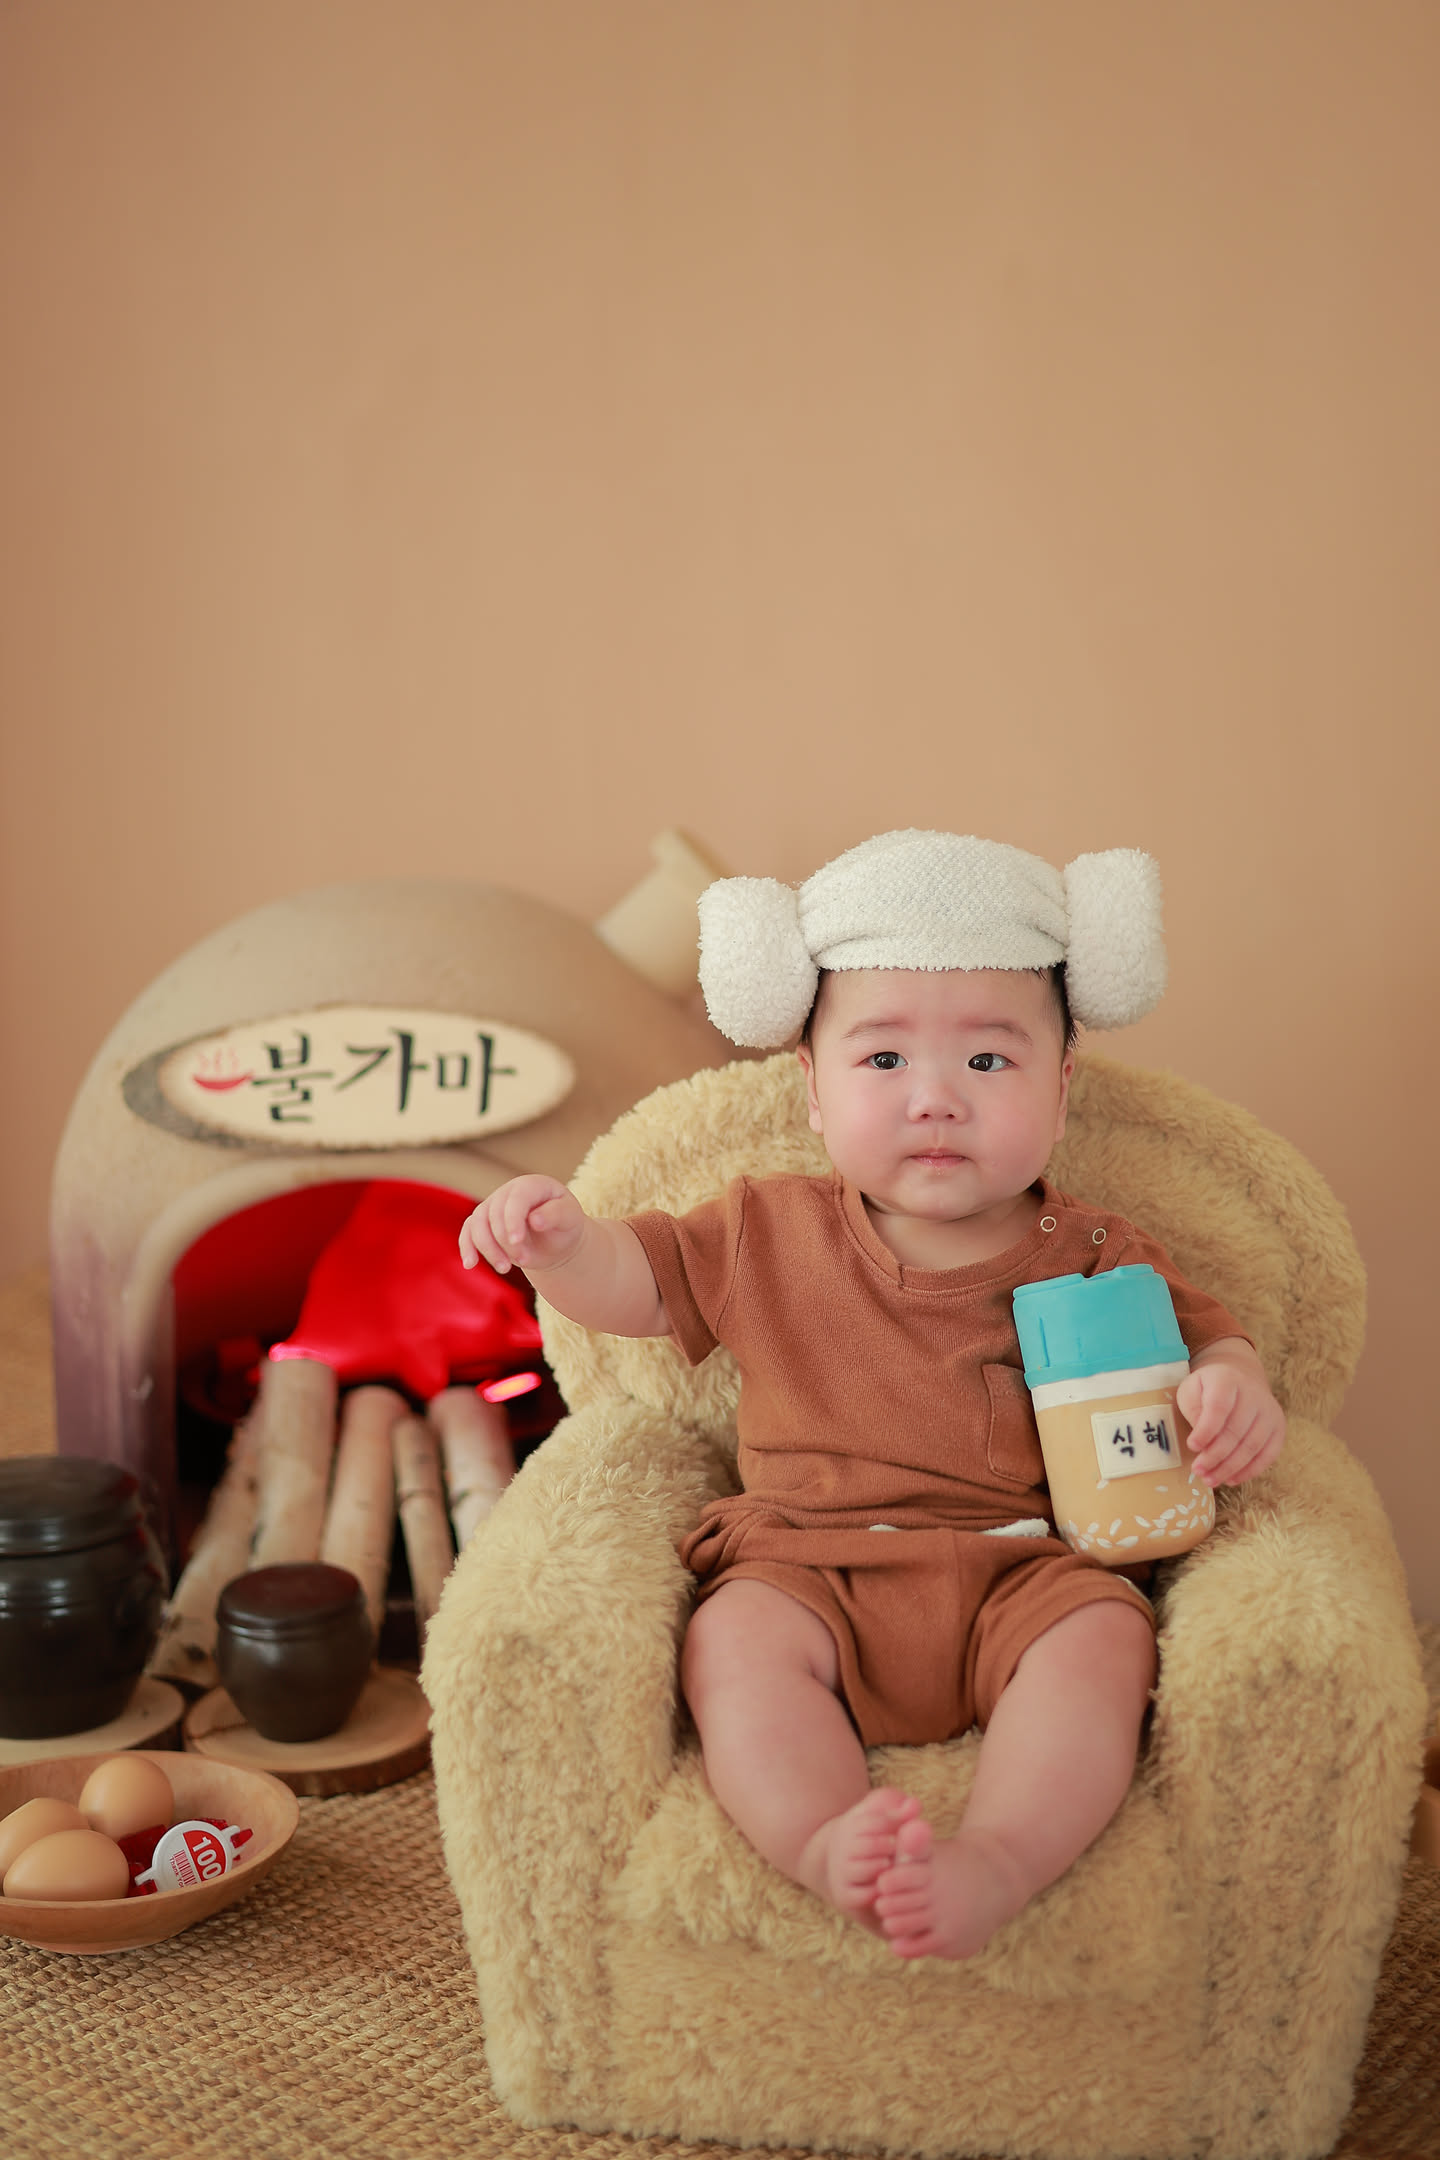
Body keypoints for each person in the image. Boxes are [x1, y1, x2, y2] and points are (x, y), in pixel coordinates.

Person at [459, 831, 1286, 1961]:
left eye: (988, 1061)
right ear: (812, 1087)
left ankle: (999, 1859)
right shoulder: (765, 1229)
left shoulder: (1097, 1254)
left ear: (1060, 1089)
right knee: (731, 1643)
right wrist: (562, 1246)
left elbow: (1211, 1342)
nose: (935, 1099)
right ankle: (822, 1839)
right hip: (808, 1566)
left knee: (1104, 1645)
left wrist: (1232, 1390)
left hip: (1025, 1572)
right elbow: (637, 1286)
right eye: (884, 1059)